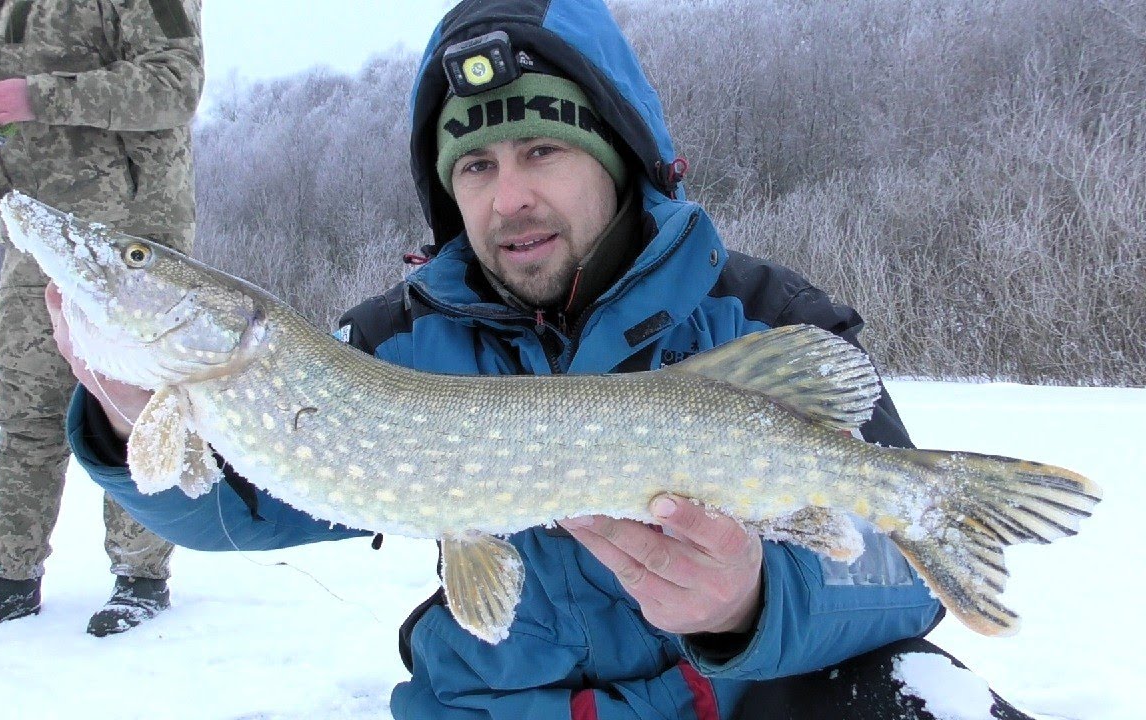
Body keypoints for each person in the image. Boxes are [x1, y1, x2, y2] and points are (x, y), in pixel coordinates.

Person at [51, 0, 1036, 717]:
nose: (507, 195)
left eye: (541, 152)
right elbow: (238, 505)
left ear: (614, 158)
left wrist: (748, 603)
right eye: (474, 165)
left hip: (733, 703)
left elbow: (899, 581)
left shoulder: (759, 317)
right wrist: (130, 417)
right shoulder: (391, 344)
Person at [0, 0, 204, 643]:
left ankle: (141, 579)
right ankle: (9, 580)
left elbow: (174, 85)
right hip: (32, 233)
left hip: (130, 242)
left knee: (135, 412)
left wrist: (37, 96)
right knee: (25, 414)